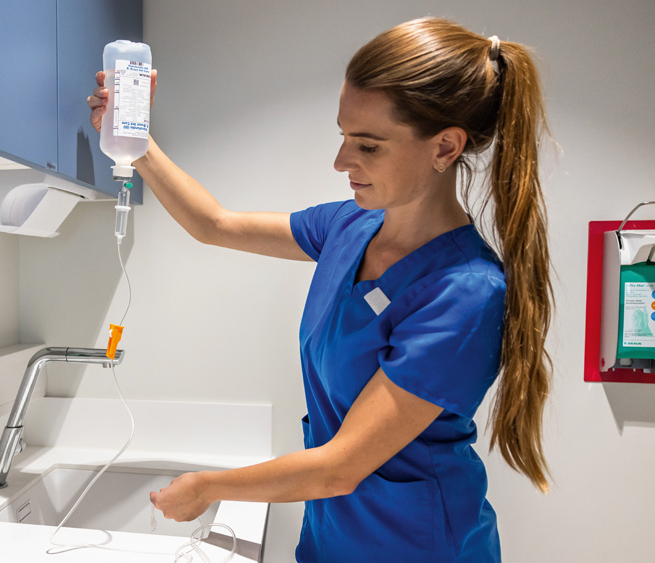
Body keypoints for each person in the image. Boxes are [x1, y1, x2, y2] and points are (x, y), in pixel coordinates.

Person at [87, 17, 552, 562]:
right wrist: (135, 143)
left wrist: (206, 487)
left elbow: (340, 466)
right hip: (334, 535)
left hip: (415, 546)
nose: (341, 162)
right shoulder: (350, 227)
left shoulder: (465, 292)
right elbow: (214, 224)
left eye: (368, 146)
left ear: (446, 147)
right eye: (343, 137)